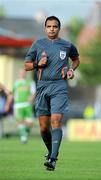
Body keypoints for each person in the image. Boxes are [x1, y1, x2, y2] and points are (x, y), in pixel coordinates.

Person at [24, 16, 80, 170]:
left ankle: (53, 159)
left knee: (56, 121)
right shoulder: (38, 44)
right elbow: (26, 66)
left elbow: (76, 59)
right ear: (45, 28)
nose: (52, 29)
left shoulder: (67, 45)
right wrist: (37, 64)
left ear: (59, 28)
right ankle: (51, 152)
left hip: (59, 86)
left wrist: (70, 69)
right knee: (43, 128)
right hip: (42, 86)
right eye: (49, 26)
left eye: (55, 26)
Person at [13, 68, 36, 143]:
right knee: (20, 121)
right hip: (18, 105)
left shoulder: (30, 82)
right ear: (19, 74)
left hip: (27, 105)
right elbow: (12, 93)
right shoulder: (16, 83)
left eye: (24, 72)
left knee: (30, 123)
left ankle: (25, 133)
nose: (23, 74)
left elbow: (34, 92)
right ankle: (23, 137)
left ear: (26, 74)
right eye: (21, 72)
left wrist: (31, 97)